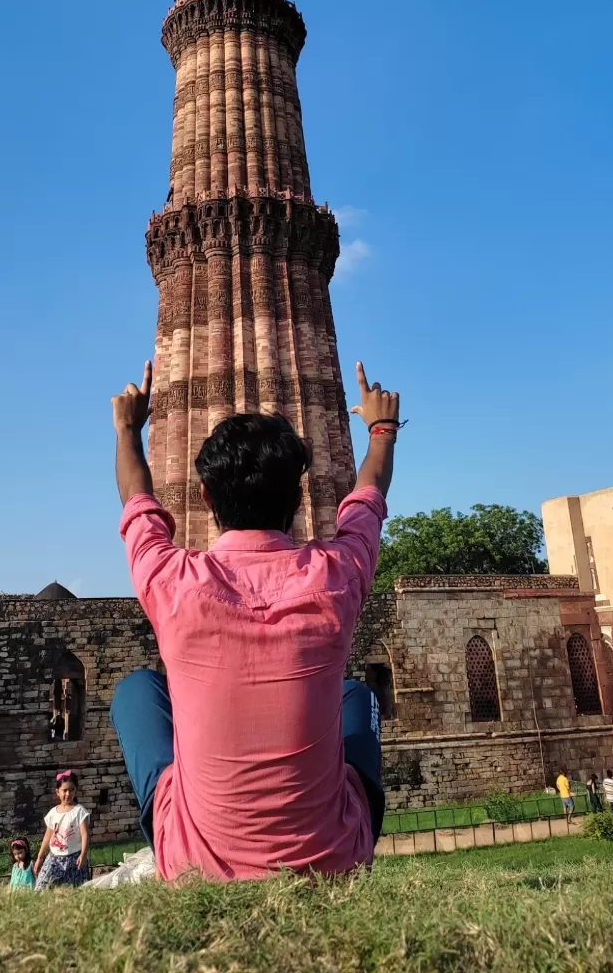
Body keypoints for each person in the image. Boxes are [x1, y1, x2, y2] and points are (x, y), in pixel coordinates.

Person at [110, 359, 400, 883]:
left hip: (196, 862)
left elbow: (138, 502)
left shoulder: (173, 583)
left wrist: (129, 429)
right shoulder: (335, 577)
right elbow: (367, 501)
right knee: (358, 696)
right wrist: (382, 431)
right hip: (333, 855)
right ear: (297, 497)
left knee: (137, 690)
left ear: (204, 497)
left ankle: (184, 828)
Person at [33, 771, 90, 889]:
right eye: (65, 790)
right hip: (54, 858)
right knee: (41, 887)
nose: (68, 794)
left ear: (75, 791)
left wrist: (83, 855)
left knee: (76, 891)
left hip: (74, 858)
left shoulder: (79, 811)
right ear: (57, 792)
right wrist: (39, 857)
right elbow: (47, 836)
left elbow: (85, 835)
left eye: (71, 790)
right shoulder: (53, 813)